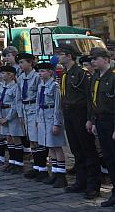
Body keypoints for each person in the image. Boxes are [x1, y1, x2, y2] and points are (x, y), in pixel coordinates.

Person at [56, 46, 99, 199]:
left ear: (69, 56)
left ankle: (93, 184)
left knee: (87, 149)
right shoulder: (65, 73)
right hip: (69, 113)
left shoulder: (81, 73)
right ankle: (81, 181)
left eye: (60, 54)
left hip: (80, 113)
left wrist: (89, 118)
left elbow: (89, 98)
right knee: (76, 149)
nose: (58, 57)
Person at [87, 47, 115, 207]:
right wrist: (92, 120)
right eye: (92, 59)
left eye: (96, 58)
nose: (93, 61)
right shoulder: (95, 77)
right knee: (109, 159)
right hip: (101, 121)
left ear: (106, 59)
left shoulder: (113, 77)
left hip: (112, 121)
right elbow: (93, 101)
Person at [35, 61, 67, 188]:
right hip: (43, 118)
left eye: (43, 71)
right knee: (50, 147)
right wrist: (37, 120)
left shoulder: (54, 86)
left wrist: (56, 123)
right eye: (39, 71)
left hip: (51, 117)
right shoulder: (40, 86)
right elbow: (38, 104)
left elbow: (58, 107)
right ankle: (54, 172)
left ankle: (61, 176)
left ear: (50, 72)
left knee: (57, 146)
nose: (40, 74)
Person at [17, 53, 41, 178]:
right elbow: (18, 97)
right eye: (19, 62)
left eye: (22, 62)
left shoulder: (37, 77)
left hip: (33, 108)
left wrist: (38, 115)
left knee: (36, 139)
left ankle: (40, 167)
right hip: (25, 109)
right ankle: (36, 166)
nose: (20, 65)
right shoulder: (21, 77)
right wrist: (20, 113)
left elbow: (39, 96)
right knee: (31, 139)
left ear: (30, 63)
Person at [0, 65, 22, 173]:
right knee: (9, 138)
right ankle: (12, 162)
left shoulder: (15, 87)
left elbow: (16, 104)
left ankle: (19, 163)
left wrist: (7, 118)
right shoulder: (2, 86)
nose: (1, 75)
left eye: (3, 73)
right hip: (3, 113)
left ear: (11, 75)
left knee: (15, 138)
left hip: (11, 115)